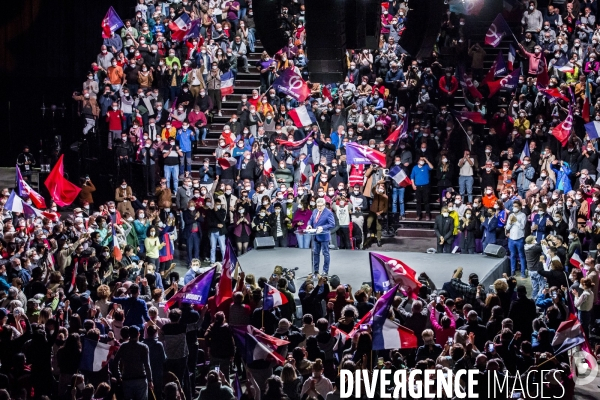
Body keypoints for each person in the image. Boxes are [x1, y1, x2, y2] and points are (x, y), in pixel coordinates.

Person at [306, 198, 336, 275]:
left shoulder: (328, 213)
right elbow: (311, 219)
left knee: (325, 253)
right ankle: (315, 271)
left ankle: (325, 271)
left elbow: (332, 224)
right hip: (315, 236)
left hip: (324, 236)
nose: (319, 207)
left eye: (320, 206)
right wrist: (309, 224)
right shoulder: (315, 211)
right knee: (315, 253)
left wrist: (323, 227)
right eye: (318, 206)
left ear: (324, 205)